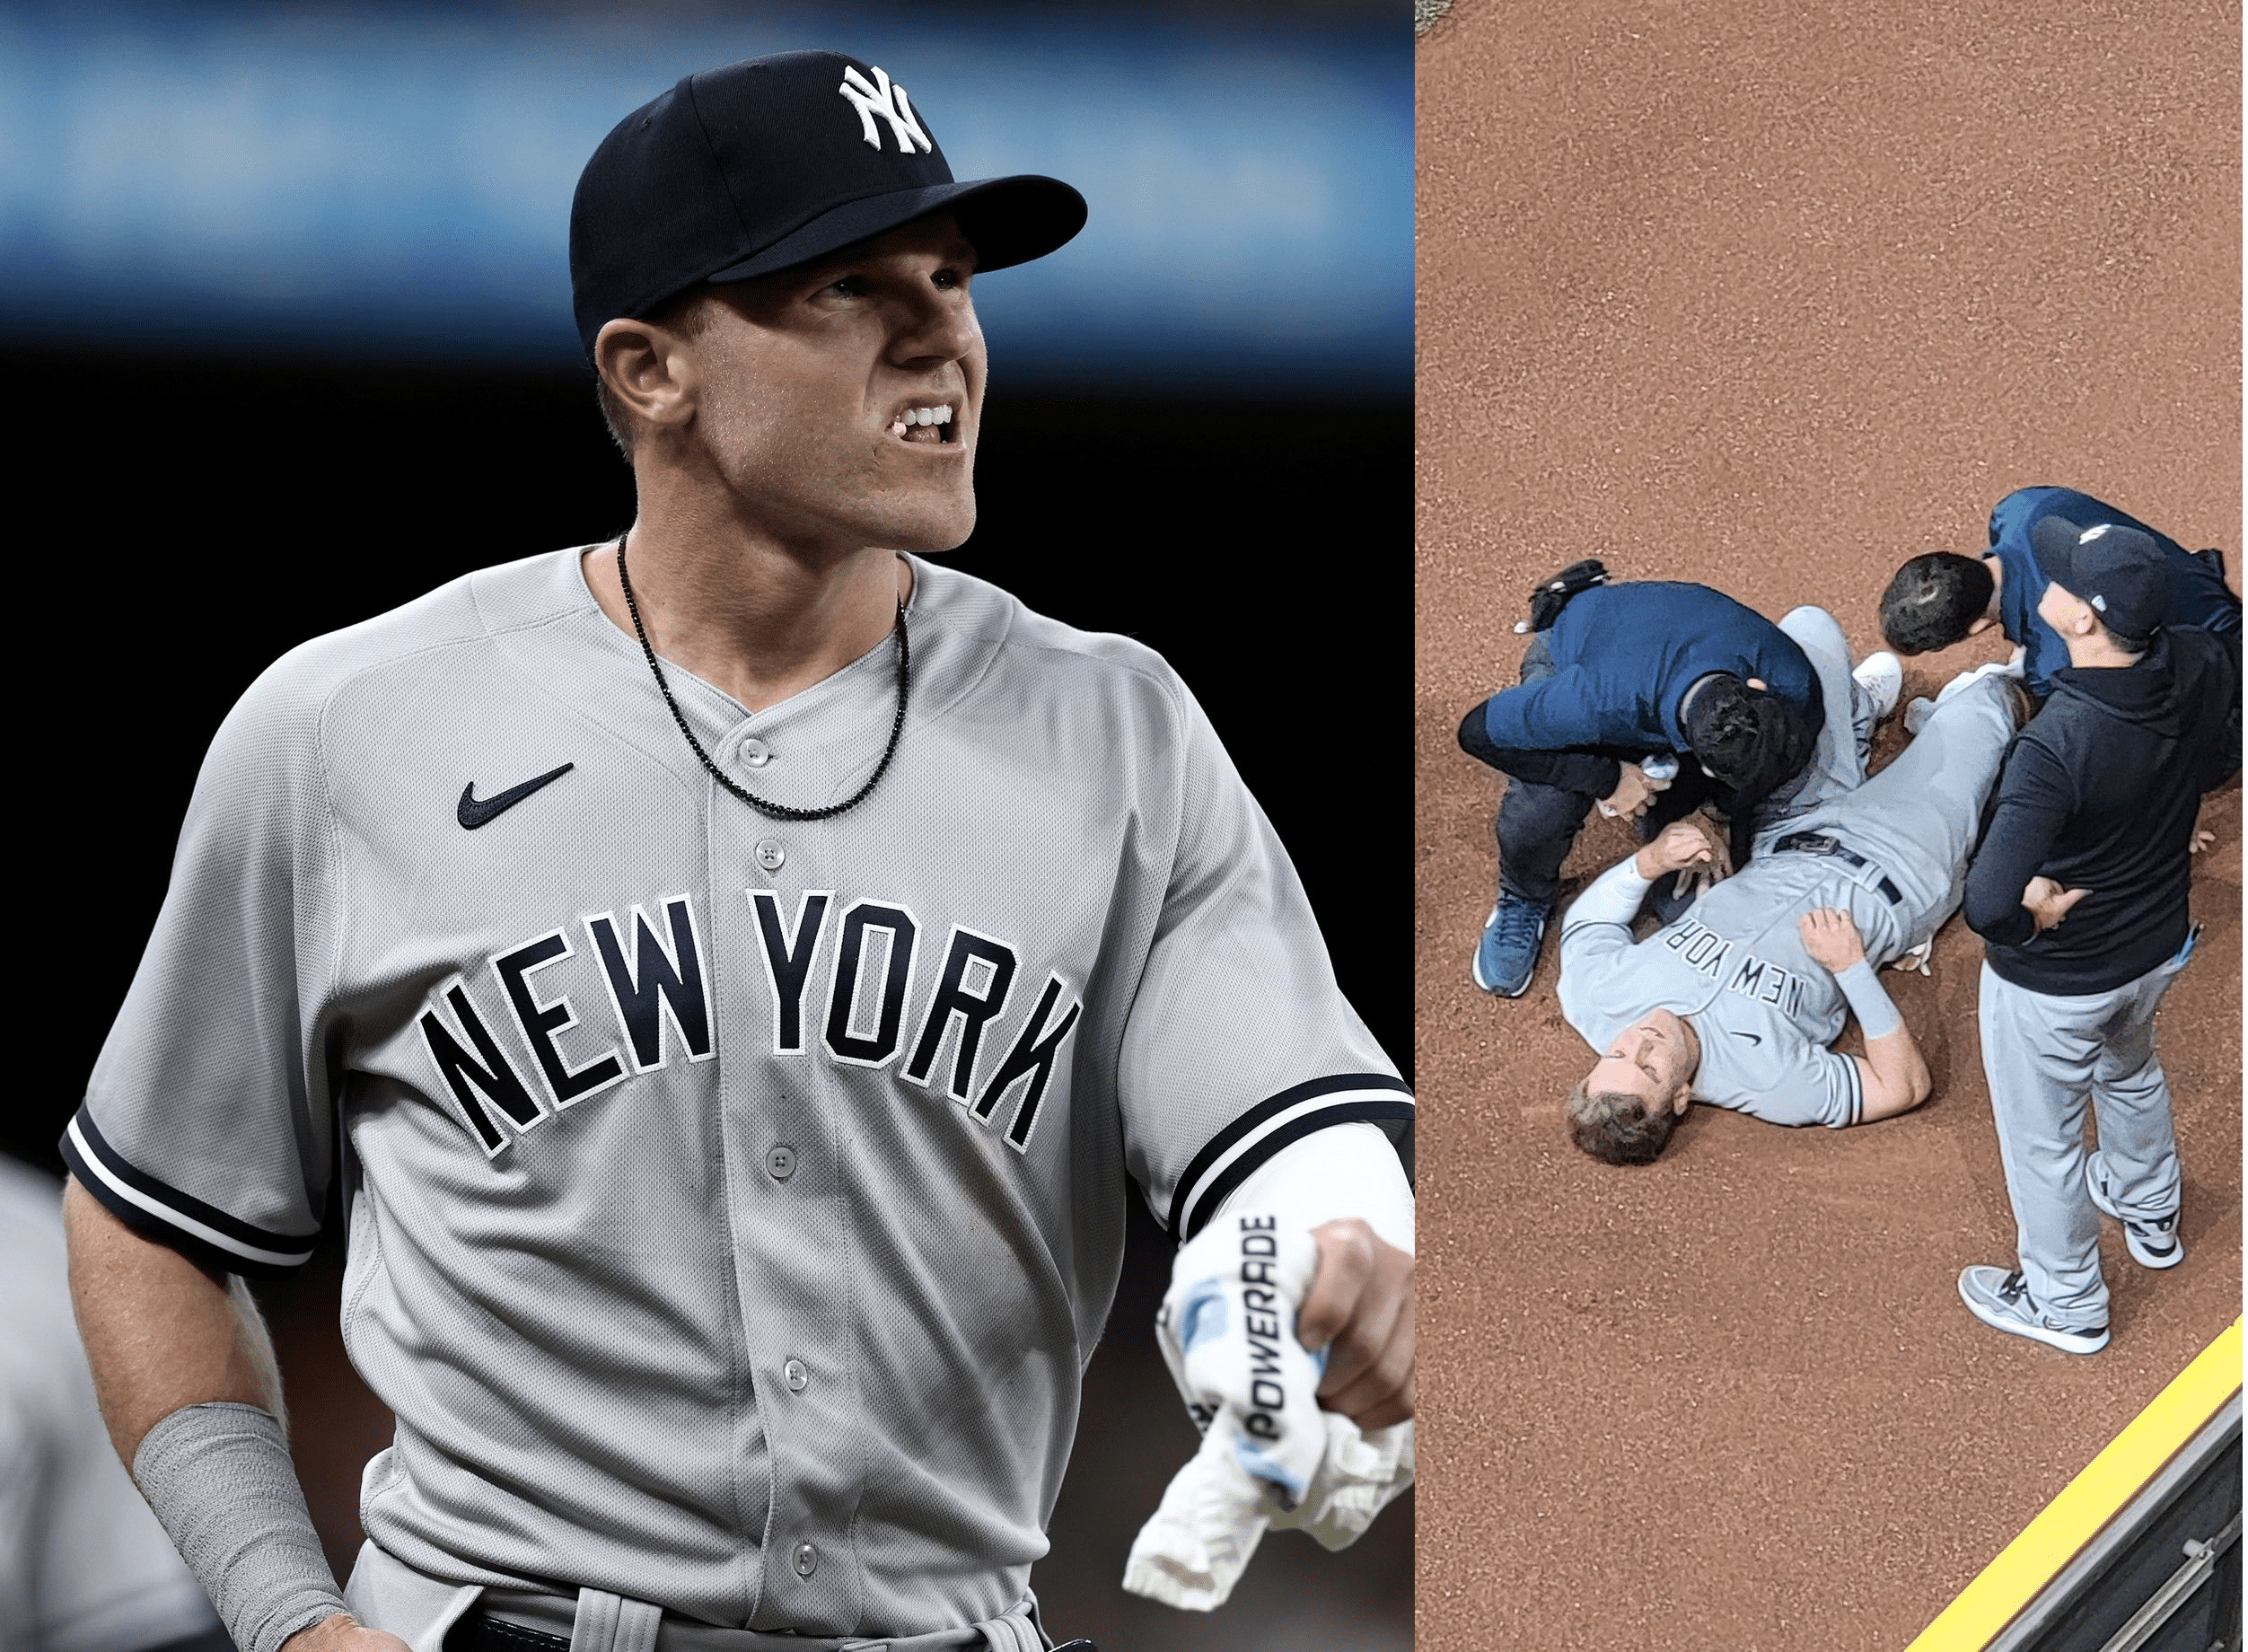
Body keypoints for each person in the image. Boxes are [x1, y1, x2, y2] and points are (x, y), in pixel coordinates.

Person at [59, 50, 1415, 1652]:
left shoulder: (1117, 730)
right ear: (648, 371)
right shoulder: (351, 727)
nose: (942, 334)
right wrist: (286, 1616)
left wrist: (1337, 1251)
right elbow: (151, 1214)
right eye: (849, 284)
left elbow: (1276, 1123)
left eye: (953, 277)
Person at [1551, 605, 2026, 1164]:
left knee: (1805, 635)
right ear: (1680, 1098)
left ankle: (1854, 718)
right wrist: (1852, 969)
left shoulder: (1593, 1002)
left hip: (1790, 825)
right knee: (1989, 702)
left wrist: (1649, 863)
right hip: (1898, 864)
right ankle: (1948, 730)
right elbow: (1902, 1088)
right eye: (1650, 1068)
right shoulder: (1767, 1083)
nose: (1641, 1043)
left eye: (1618, 1053)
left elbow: (1589, 923)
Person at [1954, 518, 2238, 1356]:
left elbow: (1987, 902)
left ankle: (2066, 1301)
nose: (2048, 572)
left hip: (2058, 979)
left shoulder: (2055, 746)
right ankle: (2149, 1211)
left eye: (2067, 577)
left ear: (2082, 621)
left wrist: (2026, 922)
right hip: (2156, 946)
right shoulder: (2198, 659)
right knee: (2130, 1068)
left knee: (2044, 1143)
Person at [1457, 576, 1901, 998]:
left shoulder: (1788, 679)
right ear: (1693, 753)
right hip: (1578, 657)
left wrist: (1716, 813)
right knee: (1545, 803)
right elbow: (1474, 732)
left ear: (1759, 689)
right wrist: (1609, 779)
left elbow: (1765, 763)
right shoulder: (1589, 700)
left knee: (1685, 903)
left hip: (1673, 687)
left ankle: (1855, 703)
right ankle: (1523, 896)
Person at [1878, 485, 2242, 706]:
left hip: (2225, 668)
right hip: (2196, 587)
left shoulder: (2052, 659)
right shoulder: (2016, 509)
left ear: (1974, 629)